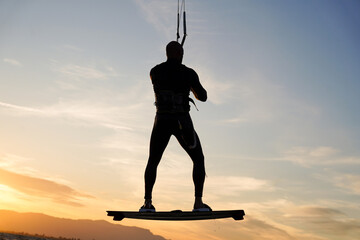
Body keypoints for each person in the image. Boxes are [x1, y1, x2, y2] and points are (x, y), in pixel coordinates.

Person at [140, 41, 211, 212]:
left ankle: (147, 203)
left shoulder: (155, 71)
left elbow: (164, 80)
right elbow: (203, 96)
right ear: (181, 54)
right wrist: (190, 86)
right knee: (198, 159)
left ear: (166, 53)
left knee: (153, 160)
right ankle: (198, 202)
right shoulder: (188, 73)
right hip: (182, 122)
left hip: (161, 121)